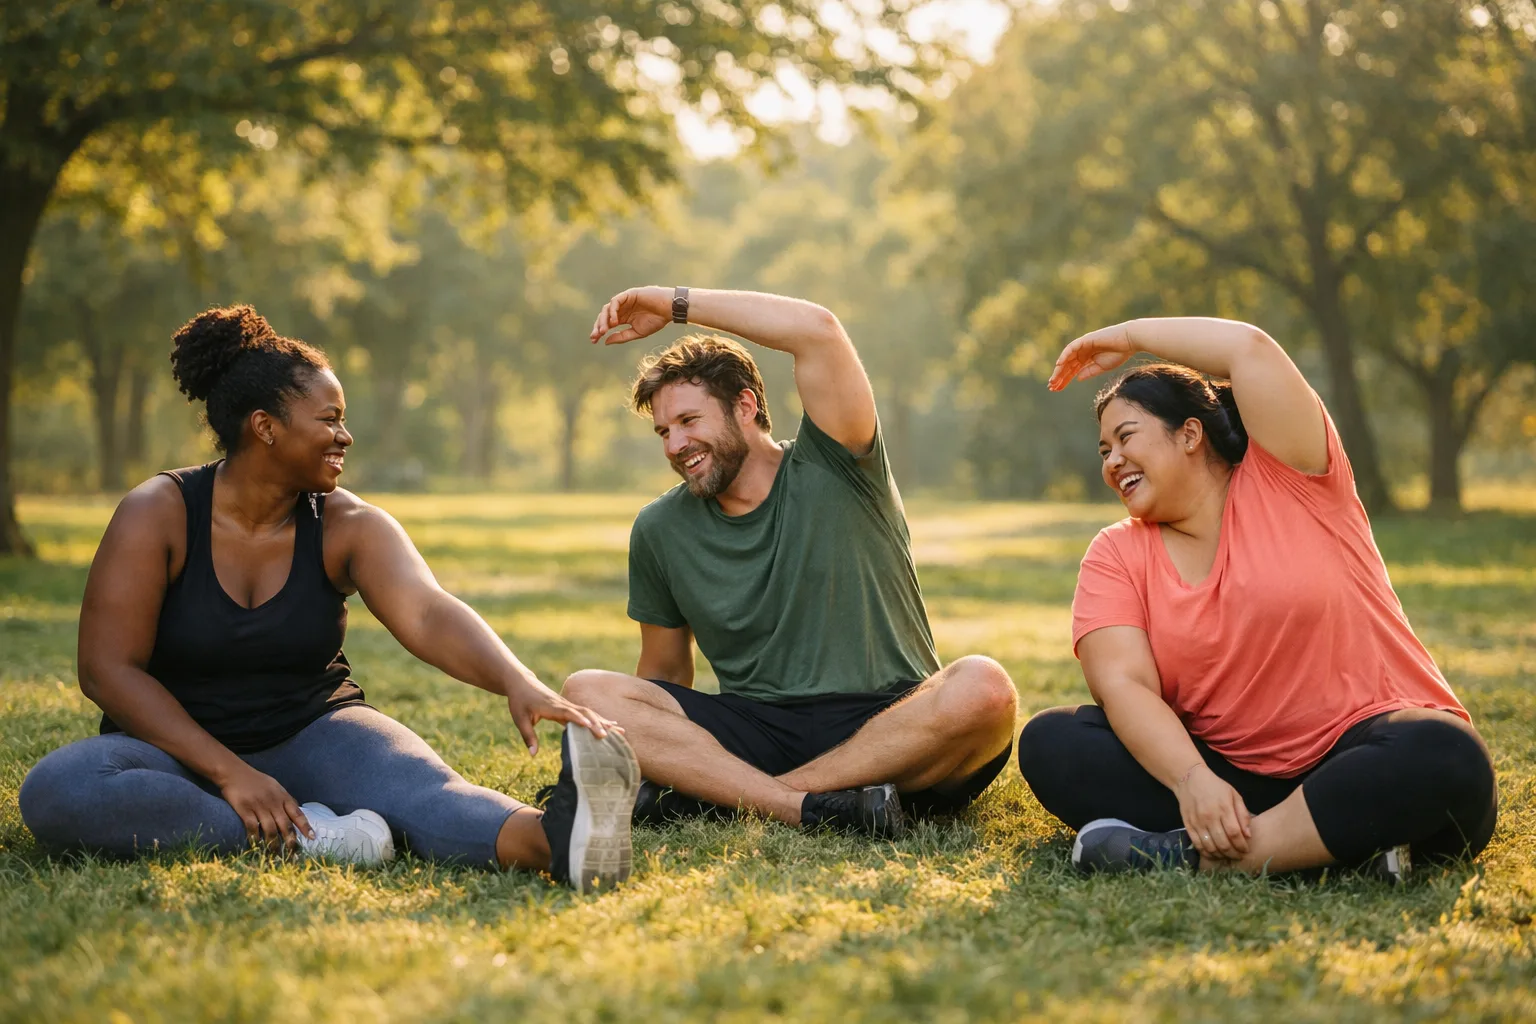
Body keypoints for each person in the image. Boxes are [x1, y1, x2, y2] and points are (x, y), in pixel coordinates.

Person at [18, 305, 639, 893]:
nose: (344, 435)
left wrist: (516, 681)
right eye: (329, 418)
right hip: (173, 753)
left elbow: (426, 610)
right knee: (62, 788)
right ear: (265, 427)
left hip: (317, 731)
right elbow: (107, 671)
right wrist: (232, 774)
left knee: (427, 794)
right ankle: (322, 838)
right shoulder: (159, 513)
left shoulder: (350, 524)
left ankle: (558, 839)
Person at [1016, 316, 1498, 880]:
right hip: (1227, 780)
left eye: (1126, 437)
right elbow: (1124, 685)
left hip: (1366, 747)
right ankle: (1336, 849)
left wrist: (1129, 339)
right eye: (1103, 450)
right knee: (1054, 742)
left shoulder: (1293, 477)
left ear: (1190, 434)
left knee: (1444, 753)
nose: (1111, 461)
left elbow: (1249, 350)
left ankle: (1206, 858)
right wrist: (1194, 781)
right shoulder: (1116, 553)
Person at [546, 286, 1018, 838]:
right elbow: (666, 673)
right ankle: (810, 807)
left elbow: (818, 330)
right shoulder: (659, 529)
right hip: (757, 727)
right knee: (587, 692)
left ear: (745, 406)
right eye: (663, 432)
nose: (675, 445)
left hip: (892, 722)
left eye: (690, 421)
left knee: (983, 687)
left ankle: (739, 799)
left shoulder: (838, 463)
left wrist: (672, 303)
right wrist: (635, 740)